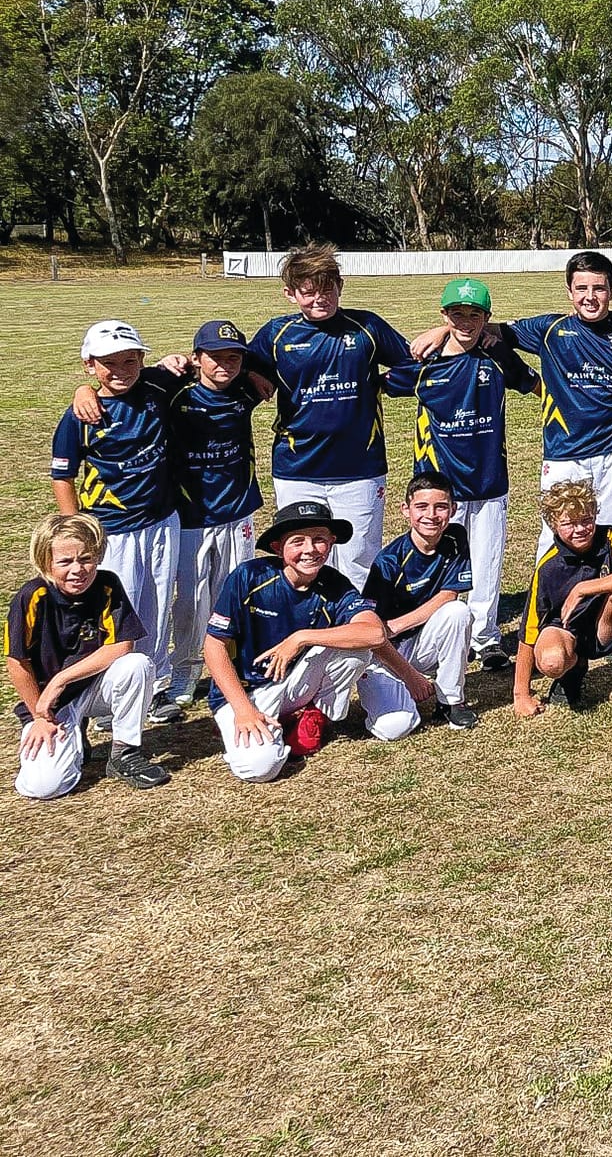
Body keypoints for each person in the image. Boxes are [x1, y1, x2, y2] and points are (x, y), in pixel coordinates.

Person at [442, 250, 612, 562]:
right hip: (563, 453)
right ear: (569, 292)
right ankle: (547, 608)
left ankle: (607, 606)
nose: (591, 297)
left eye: (599, 288)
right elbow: (482, 328)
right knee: (555, 535)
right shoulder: (549, 329)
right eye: (582, 289)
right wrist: (438, 330)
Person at [385, 278, 540, 669]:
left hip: (489, 481)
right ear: (444, 315)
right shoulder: (425, 363)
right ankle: (435, 633)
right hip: (439, 487)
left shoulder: (498, 358)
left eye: (475, 314)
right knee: (439, 560)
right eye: (457, 314)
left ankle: (485, 638)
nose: (466, 322)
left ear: (487, 318)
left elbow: (536, 385)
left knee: (486, 563)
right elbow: (378, 383)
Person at [248, 244, 415, 584]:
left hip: (360, 469)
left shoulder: (366, 327)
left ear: (341, 286)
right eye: (308, 292)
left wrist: (383, 383)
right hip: (298, 470)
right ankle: (308, 632)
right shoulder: (276, 334)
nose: (319, 299)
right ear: (290, 294)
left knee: (358, 558)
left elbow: (412, 367)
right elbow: (232, 370)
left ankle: (354, 632)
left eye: (327, 289)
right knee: (303, 559)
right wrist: (251, 374)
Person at [202, 499, 394, 784]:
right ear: (278, 548)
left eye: (319, 540)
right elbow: (214, 645)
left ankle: (313, 716)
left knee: (356, 650)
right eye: (297, 541)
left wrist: (301, 637)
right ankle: (259, 724)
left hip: (296, 683)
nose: (310, 550)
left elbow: (375, 633)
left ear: (331, 542)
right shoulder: (248, 577)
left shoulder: (334, 584)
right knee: (260, 767)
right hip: (248, 691)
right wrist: (243, 710)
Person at [53, 320, 181, 700]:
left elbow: (196, 364)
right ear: (89, 365)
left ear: (143, 358)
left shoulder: (158, 385)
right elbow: (63, 475)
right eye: (108, 363)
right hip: (112, 530)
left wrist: (179, 360)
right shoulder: (81, 414)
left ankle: (155, 682)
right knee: (115, 612)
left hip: (162, 520)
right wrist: (74, 528)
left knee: (157, 604)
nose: (121, 370)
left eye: (130, 360)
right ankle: (111, 690)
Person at [8, 512, 169, 797]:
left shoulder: (107, 585)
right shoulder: (32, 596)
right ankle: (72, 738)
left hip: (92, 686)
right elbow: (16, 663)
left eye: (86, 558)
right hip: (50, 704)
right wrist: (39, 716)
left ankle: (125, 753)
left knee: (138, 665)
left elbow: (122, 645)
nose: (77, 570)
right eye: (65, 562)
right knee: (44, 787)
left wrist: (62, 679)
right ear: (46, 562)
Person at [158, 321, 268, 713]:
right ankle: (184, 671)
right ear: (196, 358)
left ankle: (235, 664)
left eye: (233, 357)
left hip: (238, 512)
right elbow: (132, 387)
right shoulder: (174, 393)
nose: (224, 365)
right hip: (192, 515)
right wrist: (166, 363)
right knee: (190, 600)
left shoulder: (244, 390)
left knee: (237, 594)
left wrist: (252, 368)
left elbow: (270, 361)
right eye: (215, 357)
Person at [513, 478, 612, 721]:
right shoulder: (548, 567)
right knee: (551, 661)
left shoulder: (611, 537)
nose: (580, 529)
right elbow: (528, 632)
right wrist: (521, 694)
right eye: (569, 523)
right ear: (553, 525)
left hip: (603, 626)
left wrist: (583, 588)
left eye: (586, 520)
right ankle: (572, 670)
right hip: (564, 631)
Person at [358, 472, 479, 733]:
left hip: (416, 641)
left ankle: (450, 701)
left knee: (458, 612)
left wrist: (397, 625)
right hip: (385, 653)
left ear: (453, 509)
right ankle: (390, 693)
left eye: (441, 507)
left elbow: (450, 594)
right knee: (396, 728)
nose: (431, 515)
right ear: (406, 510)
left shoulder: (455, 537)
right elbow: (372, 633)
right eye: (421, 507)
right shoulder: (388, 561)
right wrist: (408, 674)